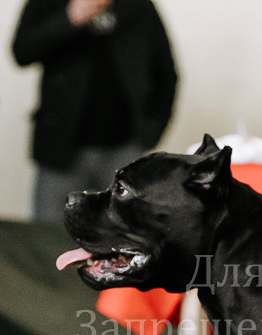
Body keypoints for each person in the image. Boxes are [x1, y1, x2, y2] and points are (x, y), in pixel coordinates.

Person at [12, 0, 177, 223]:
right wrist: (69, 20)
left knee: (125, 243)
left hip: (124, 151)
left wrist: (150, 131)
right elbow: (22, 51)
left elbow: (166, 72)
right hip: (60, 152)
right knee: (48, 239)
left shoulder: (139, 6)